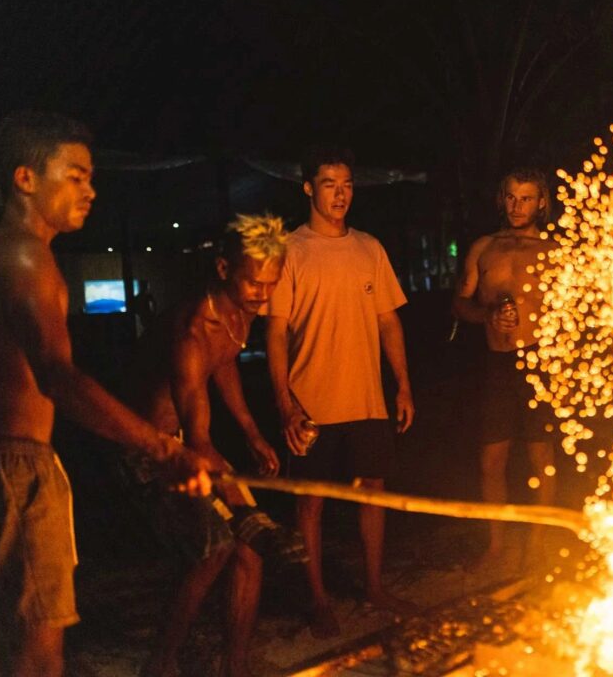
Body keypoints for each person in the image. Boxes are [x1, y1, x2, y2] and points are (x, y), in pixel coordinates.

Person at [0, 111, 210, 677]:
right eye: (76, 175)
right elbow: (57, 376)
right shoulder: (23, 254)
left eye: (91, 178)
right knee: (38, 657)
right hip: (16, 469)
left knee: (4, 647)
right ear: (26, 179)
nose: (91, 190)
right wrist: (162, 448)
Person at [121, 213, 288, 677]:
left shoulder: (242, 311)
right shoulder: (192, 331)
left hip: (191, 443)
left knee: (249, 554)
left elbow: (226, 362)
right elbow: (197, 440)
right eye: (255, 283)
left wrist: (253, 433)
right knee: (214, 548)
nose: (263, 294)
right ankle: (162, 662)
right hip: (153, 452)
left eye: (272, 283)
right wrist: (243, 507)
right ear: (222, 269)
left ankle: (235, 667)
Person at [267, 146, 415, 638]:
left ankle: (373, 586)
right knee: (311, 502)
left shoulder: (369, 248)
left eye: (347, 184)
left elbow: (389, 322)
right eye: (329, 183)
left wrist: (403, 386)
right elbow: (275, 332)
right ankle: (317, 598)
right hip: (312, 403)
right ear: (308, 187)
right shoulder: (290, 250)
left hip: (368, 399)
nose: (340, 193)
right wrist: (286, 405)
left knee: (373, 492)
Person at [452, 168, 558, 572]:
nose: (518, 206)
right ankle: (496, 545)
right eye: (511, 198)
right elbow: (459, 304)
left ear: (541, 203)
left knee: (540, 456)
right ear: (503, 199)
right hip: (497, 363)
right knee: (491, 460)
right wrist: (487, 314)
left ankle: (538, 540)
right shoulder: (484, 248)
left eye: (526, 198)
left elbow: (577, 310)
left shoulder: (554, 251)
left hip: (540, 362)